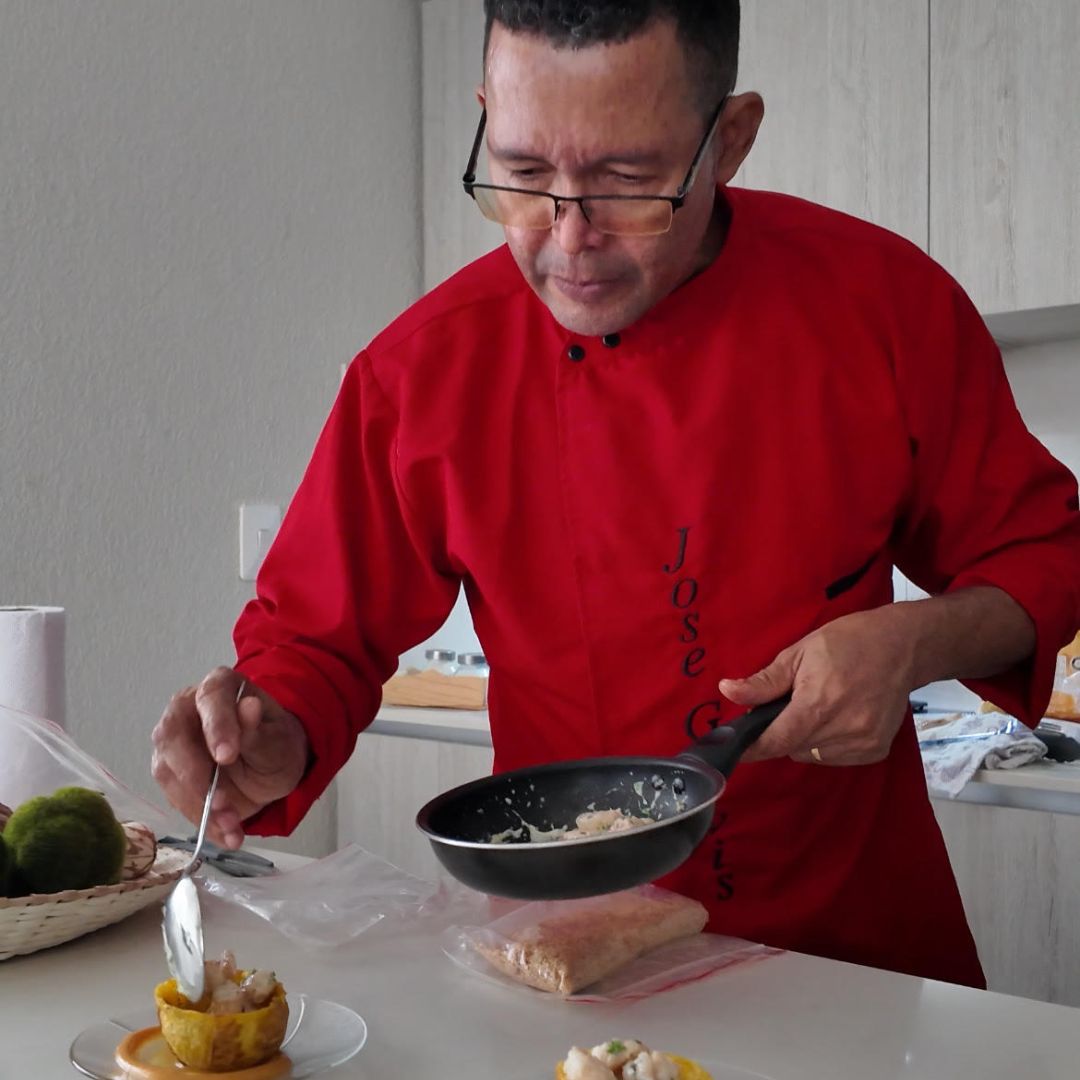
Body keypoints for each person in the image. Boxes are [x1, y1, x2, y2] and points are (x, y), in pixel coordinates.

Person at [151, 0, 1080, 988]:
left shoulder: (883, 303)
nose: (567, 237)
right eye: (521, 173)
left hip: (859, 958)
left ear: (729, 140)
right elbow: (313, 647)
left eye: (626, 183)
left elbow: (1044, 553)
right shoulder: (418, 374)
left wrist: (913, 644)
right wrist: (265, 741)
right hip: (566, 960)